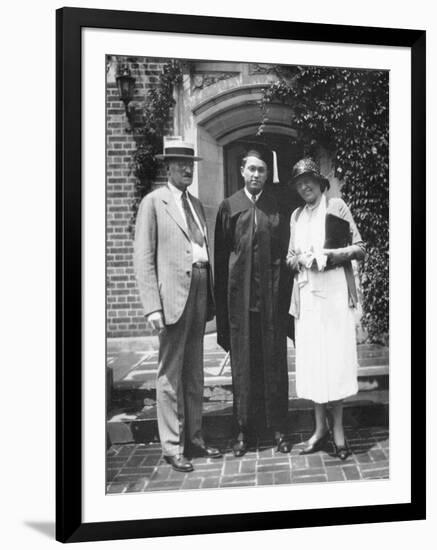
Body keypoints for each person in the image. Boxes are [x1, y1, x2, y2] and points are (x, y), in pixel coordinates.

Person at [134, 138, 222, 472]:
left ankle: (195, 439)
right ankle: (172, 446)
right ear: (167, 167)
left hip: (200, 289)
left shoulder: (197, 205)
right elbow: (143, 258)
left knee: (195, 371)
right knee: (170, 373)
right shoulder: (153, 203)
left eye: (191, 164)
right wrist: (151, 307)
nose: (187, 169)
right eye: (180, 164)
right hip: (171, 297)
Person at [287, 158, 365, 460]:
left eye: (310, 180)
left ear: (320, 183)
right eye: (299, 182)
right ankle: (319, 430)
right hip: (307, 297)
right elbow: (289, 257)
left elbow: (360, 248)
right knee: (314, 363)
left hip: (333, 295)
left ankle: (339, 431)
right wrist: (302, 258)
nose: (305, 185)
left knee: (335, 360)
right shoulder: (296, 216)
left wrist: (328, 256)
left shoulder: (336, 207)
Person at [214, 146, 291, 457]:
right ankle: (244, 430)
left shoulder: (277, 207)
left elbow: (286, 256)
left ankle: (279, 428)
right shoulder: (229, 207)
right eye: (251, 169)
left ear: (266, 174)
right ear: (242, 171)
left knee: (274, 364)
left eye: (261, 170)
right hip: (241, 304)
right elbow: (221, 259)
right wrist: (221, 312)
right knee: (244, 366)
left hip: (271, 303)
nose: (256, 174)